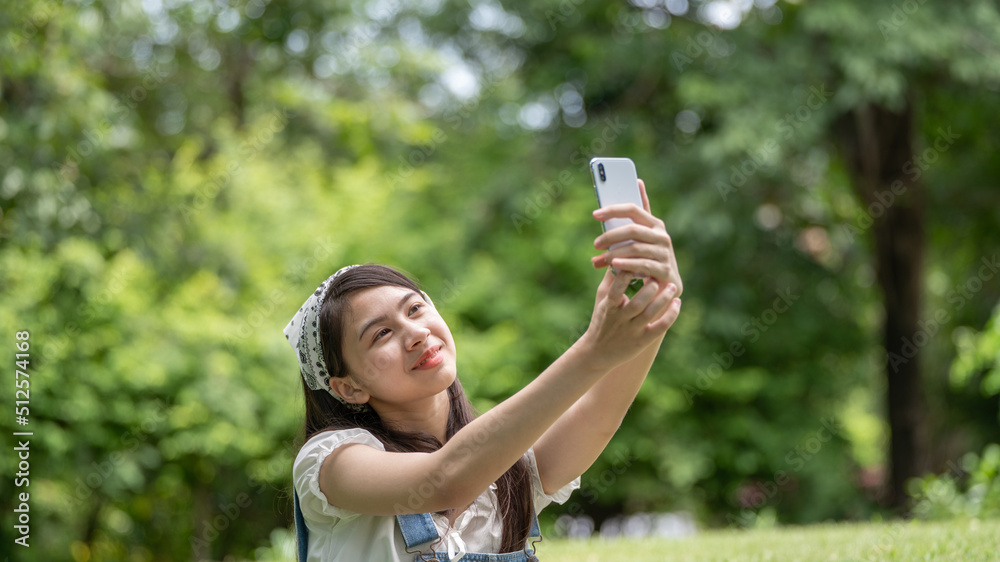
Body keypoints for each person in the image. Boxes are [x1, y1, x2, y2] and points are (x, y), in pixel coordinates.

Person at [285, 180, 682, 561]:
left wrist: (655, 304)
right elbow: (446, 479)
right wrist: (592, 350)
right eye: (382, 333)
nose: (416, 334)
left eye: (415, 308)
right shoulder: (329, 462)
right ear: (348, 387)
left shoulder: (506, 465)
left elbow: (598, 415)